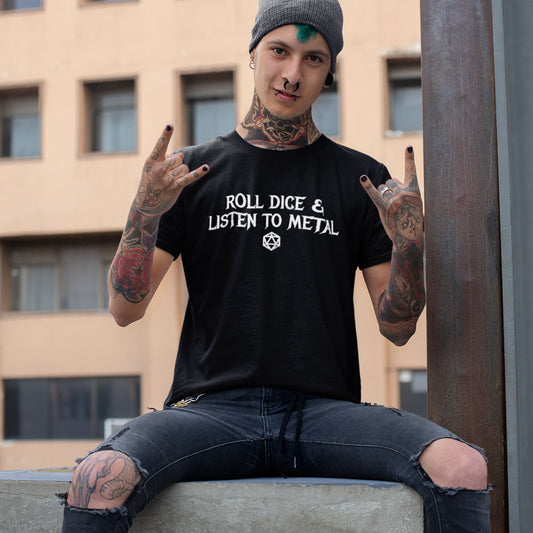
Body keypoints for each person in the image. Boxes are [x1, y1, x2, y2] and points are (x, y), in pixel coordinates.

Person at [60, 0, 491, 531]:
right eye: (279, 51)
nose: (292, 74)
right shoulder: (191, 173)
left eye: (313, 59)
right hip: (211, 412)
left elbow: (398, 329)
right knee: (97, 477)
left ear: (328, 72)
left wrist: (409, 244)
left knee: (463, 466)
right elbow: (125, 309)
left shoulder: (361, 178)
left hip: (325, 415)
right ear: (253, 53)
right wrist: (145, 212)